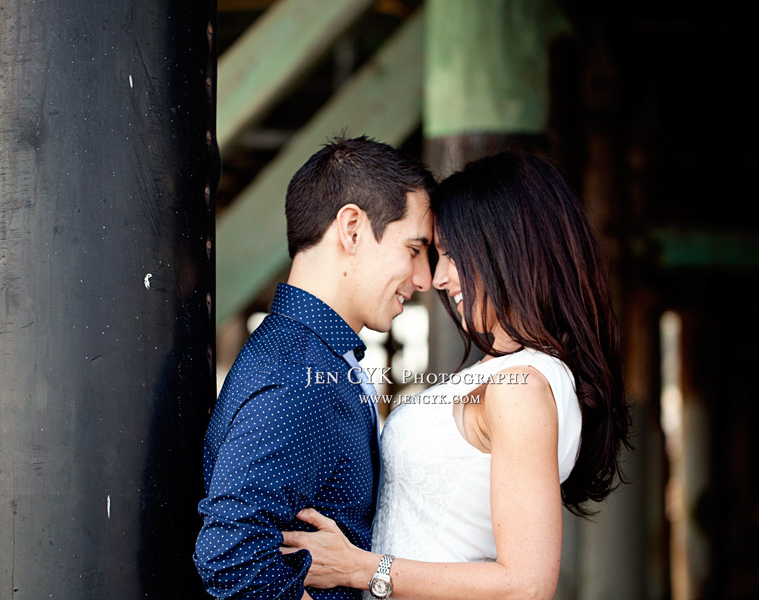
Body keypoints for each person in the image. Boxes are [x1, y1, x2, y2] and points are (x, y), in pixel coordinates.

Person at [281, 151, 631, 600]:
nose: (438, 277)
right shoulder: (507, 372)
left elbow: (527, 586)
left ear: (507, 247)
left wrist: (360, 569)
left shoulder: (522, 385)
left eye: (450, 253)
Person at [194, 136, 437, 599]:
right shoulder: (301, 375)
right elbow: (231, 555)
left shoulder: (311, 356)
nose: (424, 278)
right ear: (352, 229)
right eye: (413, 249)